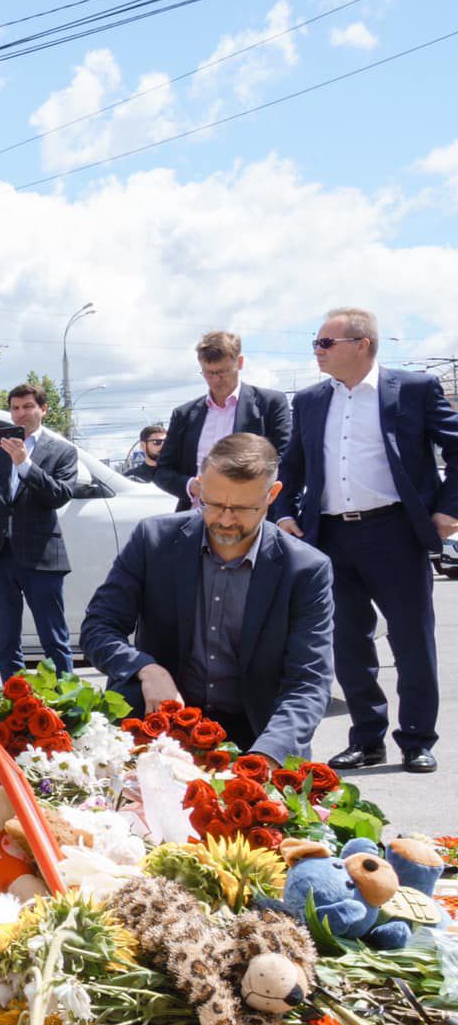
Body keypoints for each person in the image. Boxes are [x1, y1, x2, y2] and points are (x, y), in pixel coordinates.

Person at [274, 307, 458, 774]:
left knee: (411, 640)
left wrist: (450, 507)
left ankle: (416, 739)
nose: (316, 351)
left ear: (363, 345)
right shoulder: (312, 400)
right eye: (315, 343)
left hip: (395, 530)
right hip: (331, 534)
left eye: (325, 343)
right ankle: (366, 739)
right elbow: (292, 464)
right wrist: (284, 513)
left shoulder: (413, 389)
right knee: (348, 643)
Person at [85, 435, 334, 763]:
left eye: (243, 509)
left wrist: (268, 754)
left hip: (258, 734)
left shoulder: (305, 569)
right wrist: (145, 669)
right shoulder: (154, 541)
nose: (226, 520)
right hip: (159, 727)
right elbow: (98, 628)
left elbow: (308, 682)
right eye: (214, 504)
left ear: (272, 495)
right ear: (199, 488)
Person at [0, 380, 78, 680]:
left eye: (28, 407)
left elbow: (59, 494)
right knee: (5, 641)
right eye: (15, 408)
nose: (20, 414)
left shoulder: (62, 451)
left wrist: (25, 464)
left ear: (43, 409)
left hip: (41, 555)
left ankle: (65, 706)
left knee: (53, 639)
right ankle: (15, 711)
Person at [154, 331, 292, 512]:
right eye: (209, 373)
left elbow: (285, 459)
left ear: (240, 362)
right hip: (197, 518)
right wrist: (191, 486)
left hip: (251, 516)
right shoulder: (185, 415)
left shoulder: (270, 404)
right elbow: (162, 472)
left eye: (223, 372)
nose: (217, 380)